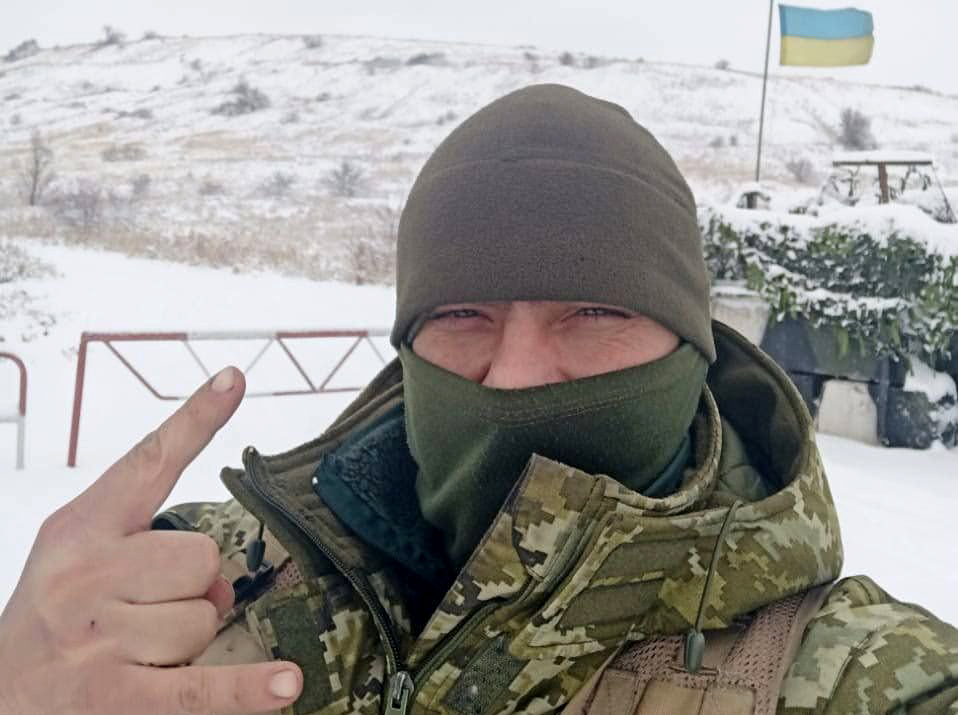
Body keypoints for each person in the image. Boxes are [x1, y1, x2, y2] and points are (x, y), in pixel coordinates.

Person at [2, 84, 957, 715]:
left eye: (592, 310)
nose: (513, 377)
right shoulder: (187, 583)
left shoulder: (858, 674)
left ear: (691, 347)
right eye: (462, 313)